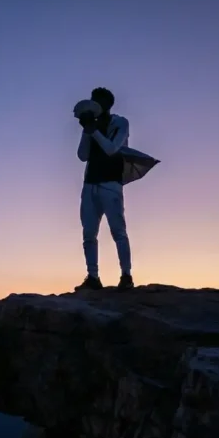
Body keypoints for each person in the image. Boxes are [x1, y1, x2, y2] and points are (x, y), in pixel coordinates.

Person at [76, 87, 133, 291]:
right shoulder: (93, 125)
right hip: (90, 184)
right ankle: (93, 277)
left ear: (108, 104)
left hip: (111, 184)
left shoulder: (120, 123)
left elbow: (111, 149)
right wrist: (87, 130)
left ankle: (126, 276)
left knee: (118, 231)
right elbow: (82, 155)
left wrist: (94, 131)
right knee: (88, 233)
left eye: (98, 101)